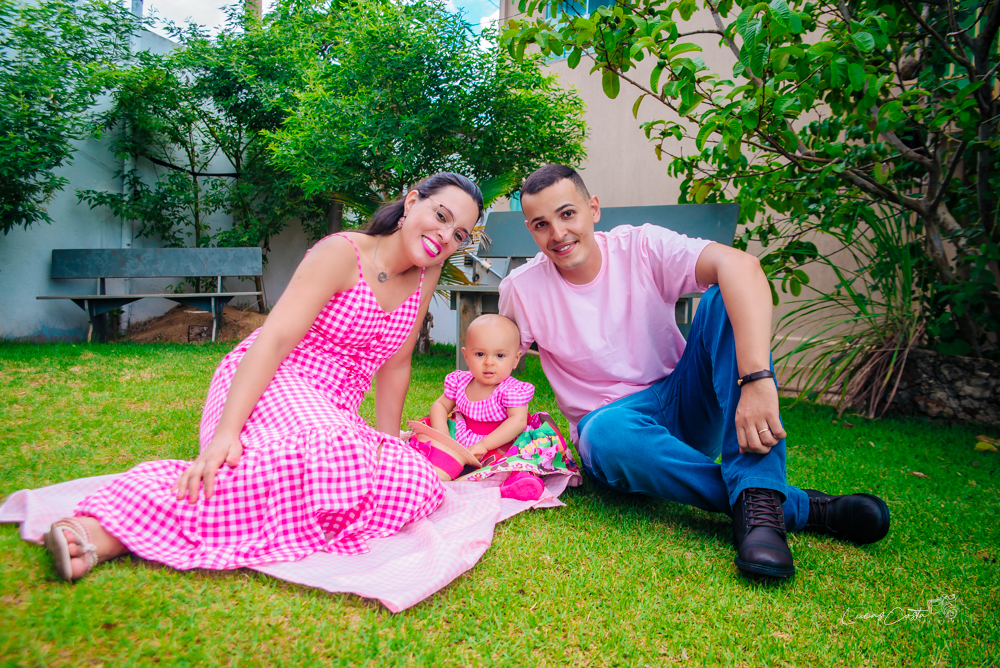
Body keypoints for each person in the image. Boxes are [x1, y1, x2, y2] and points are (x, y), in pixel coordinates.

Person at [43, 172, 484, 582]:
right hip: (275, 379)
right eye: (441, 216)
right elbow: (272, 342)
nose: (445, 235)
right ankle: (109, 527)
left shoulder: (427, 274)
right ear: (412, 201)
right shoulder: (342, 252)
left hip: (332, 412)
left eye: (459, 234)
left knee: (413, 480)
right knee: (333, 451)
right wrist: (225, 433)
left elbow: (397, 364)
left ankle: (272, 492)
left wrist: (387, 448)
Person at [498, 164, 890, 578]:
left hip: (684, 400)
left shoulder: (640, 247)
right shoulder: (522, 289)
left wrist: (756, 381)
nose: (558, 233)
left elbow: (741, 266)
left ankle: (760, 499)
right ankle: (785, 506)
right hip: (618, 436)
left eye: (567, 214)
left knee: (724, 297)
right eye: (541, 224)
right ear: (531, 230)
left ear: (593, 208)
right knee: (606, 433)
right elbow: (495, 367)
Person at [420, 314, 573, 501]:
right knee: (428, 439)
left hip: (502, 442)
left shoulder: (510, 390)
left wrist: (484, 445)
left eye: (500, 355)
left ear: (515, 359)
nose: (489, 362)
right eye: (480, 354)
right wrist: (442, 433)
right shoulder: (460, 381)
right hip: (461, 437)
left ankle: (518, 480)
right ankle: (431, 469)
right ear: (466, 355)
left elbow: (517, 421)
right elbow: (440, 405)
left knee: (522, 456)